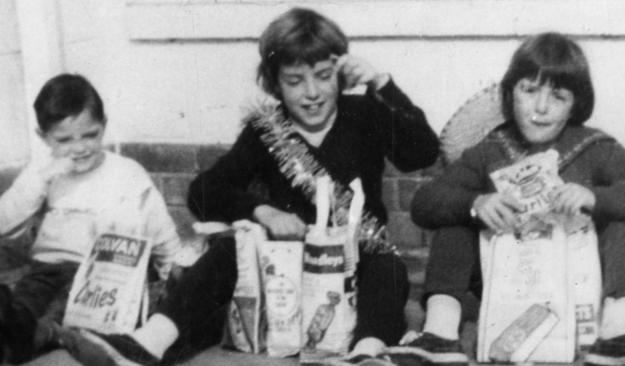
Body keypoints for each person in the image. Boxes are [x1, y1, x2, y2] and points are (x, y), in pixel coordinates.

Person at [62, 6, 439, 366]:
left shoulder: (366, 113)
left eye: (324, 76)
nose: (312, 92)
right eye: (295, 81)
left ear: (340, 73)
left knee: (389, 268)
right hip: (285, 271)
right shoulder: (267, 130)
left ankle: (367, 353)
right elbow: (204, 191)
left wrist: (381, 83)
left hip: (356, 261)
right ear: (274, 82)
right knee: (227, 251)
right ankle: (147, 344)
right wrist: (262, 210)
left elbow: (421, 152)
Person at [384, 32, 625, 366]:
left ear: (575, 105)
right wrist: (477, 204)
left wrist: (594, 197)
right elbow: (425, 202)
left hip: (576, 284)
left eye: (558, 96)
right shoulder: (490, 151)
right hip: (505, 282)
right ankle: (440, 332)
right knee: (456, 212)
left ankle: (617, 333)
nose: (541, 107)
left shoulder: (594, 148)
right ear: (511, 94)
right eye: (529, 90)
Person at [0, 73, 181, 363]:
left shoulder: (126, 173)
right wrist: (42, 180)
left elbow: (159, 226)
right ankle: (21, 330)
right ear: (43, 137)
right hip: (47, 268)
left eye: (90, 134)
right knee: (25, 304)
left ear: (103, 127)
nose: (80, 147)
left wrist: (173, 270)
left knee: (67, 308)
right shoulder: (43, 172)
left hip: (100, 275)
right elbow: (5, 221)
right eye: (64, 139)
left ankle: (45, 335)